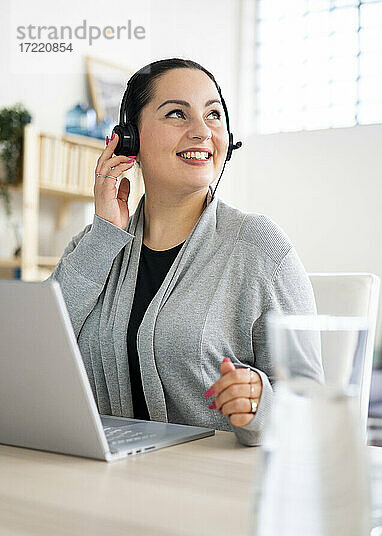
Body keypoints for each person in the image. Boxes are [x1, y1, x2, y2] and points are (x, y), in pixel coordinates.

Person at [47, 57, 322, 447]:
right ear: (130, 139)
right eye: (177, 113)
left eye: (213, 115)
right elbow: (32, 358)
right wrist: (105, 235)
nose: (202, 132)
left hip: (214, 489)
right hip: (104, 481)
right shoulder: (92, 248)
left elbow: (314, 404)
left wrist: (261, 405)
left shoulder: (260, 248)